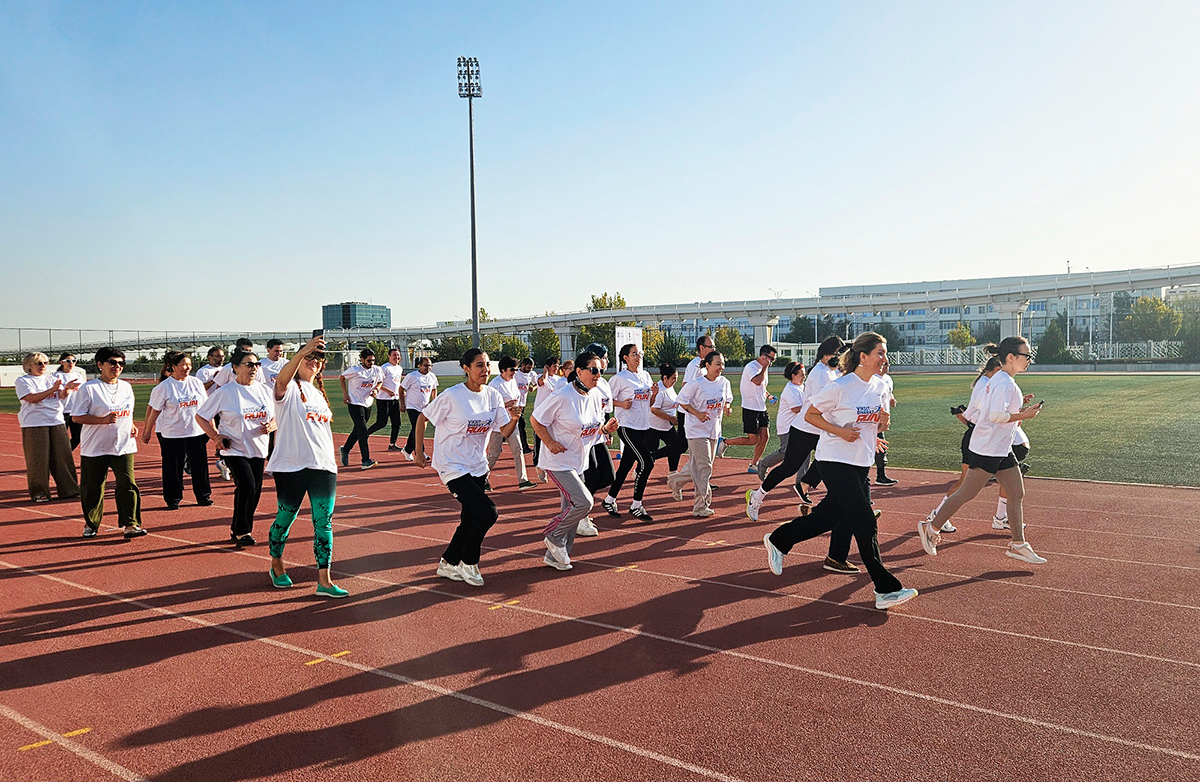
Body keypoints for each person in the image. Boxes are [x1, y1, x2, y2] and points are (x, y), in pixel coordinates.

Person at [761, 332, 918, 610]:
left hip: (860, 461)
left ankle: (779, 539)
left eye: (885, 353)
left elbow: (878, 424)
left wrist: (883, 424)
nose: (885, 358)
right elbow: (810, 415)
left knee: (827, 518)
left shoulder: (880, 385)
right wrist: (839, 431)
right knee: (865, 521)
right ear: (863, 356)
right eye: (880, 353)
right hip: (834, 460)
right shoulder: (841, 386)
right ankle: (885, 589)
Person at [919, 336, 1047, 564]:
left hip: (999, 447)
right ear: (1011, 357)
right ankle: (931, 527)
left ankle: (1018, 544)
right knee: (967, 493)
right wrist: (1024, 415)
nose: (1029, 360)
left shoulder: (1000, 379)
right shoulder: (1005, 383)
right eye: (1027, 355)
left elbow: (986, 410)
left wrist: (1019, 411)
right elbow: (995, 416)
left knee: (1016, 492)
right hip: (988, 448)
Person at [414, 348, 516, 586]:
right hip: (452, 465)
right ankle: (469, 562)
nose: (485, 370)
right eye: (479, 365)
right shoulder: (452, 395)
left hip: (477, 466)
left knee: (470, 519)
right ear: (466, 368)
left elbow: (503, 431)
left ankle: (448, 562)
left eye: (487, 365)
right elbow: (422, 418)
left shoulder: (493, 395)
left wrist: (514, 419)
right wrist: (419, 451)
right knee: (487, 512)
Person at [265, 336, 348, 597]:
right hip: (290, 466)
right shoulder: (289, 388)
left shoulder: (319, 395)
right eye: (309, 358)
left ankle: (324, 580)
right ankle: (277, 564)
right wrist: (303, 351)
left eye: (318, 360)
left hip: (323, 466)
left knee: (324, 523)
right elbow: (280, 381)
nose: (313, 362)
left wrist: (331, 462)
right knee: (286, 517)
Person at [532, 350, 619, 571]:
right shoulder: (562, 396)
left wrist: (605, 430)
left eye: (601, 371)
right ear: (579, 372)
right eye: (594, 370)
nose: (598, 375)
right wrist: (550, 443)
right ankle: (553, 535)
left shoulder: (595, 395)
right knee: (584, 503)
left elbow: (591, 428)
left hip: (579, 461)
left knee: (570, 509)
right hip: (558, 462)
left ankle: (555, 556)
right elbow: (536, 420)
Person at [748, 337, 845, 521]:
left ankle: (847, 503)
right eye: (837, 354)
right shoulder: (820, 373)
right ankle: (757, 496)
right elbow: (828, 402)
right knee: (789, 468)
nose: (839, 358)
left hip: (821, 429)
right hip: (805, 429)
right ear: (828, 353)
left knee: (834, 462)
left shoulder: (832, 372)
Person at [196, 350, 276, 546]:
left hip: (258, 448)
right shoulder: (225, 392)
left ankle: (238, 528)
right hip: (234, 448)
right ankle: (242, 531)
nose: (254, 368)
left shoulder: (264, 390)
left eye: (256, 364)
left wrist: (272, 425)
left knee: (254, 491)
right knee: (247, 485)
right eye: (249, 364)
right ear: (235, 367)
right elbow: (201, 416)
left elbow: (277, 416)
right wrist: (216, 436)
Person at [66, 347, 145, 539]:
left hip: (123, 445)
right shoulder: (89, 388)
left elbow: (127, 411)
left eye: (121, 363)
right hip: (96, 446)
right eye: (113, 362)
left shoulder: (126, 387)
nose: (117, 366)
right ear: (100, 364)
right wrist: (102, 420)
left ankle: (130, 524)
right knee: (93, 487)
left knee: (128, 483)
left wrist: (131, 424)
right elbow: (76, 417)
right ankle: (91, 523)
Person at [927, 350, 1002, 534]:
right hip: (977, 437)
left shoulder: (985, 382)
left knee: (1007, 480)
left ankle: (1003, 517)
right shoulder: (985, 384)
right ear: (997, 369)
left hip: (984, 437)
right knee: (965, 483)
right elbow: (983, 411)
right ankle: (937, 515)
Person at [141, 351, 211, 510]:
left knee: (200, 466)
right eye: (183, 365)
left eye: (189, 364)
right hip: (172, 434)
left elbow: (205, 407)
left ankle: (203, 495)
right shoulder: (164, 387)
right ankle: (173, 498)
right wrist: (147, 431)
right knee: (173, 468)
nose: (187, 368)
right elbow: (154, 411)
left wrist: (211, 428)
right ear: (173, 367)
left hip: (196, 431)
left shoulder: (196, 383)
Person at [667, 350, 733, 517]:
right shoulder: (696, 384)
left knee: (697, 467)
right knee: (705, 468)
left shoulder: (724, 382)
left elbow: (727, 399)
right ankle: (700, 506)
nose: (721, 367)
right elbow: (681, 401)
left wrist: (727, 407)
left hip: (714, 430)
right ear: (708, 365)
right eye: (718, 364)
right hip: (696, 430)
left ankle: (675, 480)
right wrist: (697, 413)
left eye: (723, 364)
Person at [603, 343, 659, 521]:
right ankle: (636, 505)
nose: (638, 356)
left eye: (639, 353)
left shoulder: (645, 375)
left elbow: (648, 403)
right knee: (647, 462)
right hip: (627, 426)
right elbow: (605, 400)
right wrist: (620, 404)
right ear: (626, 358)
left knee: (625, 466)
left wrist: (654, 394)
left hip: (643, 426)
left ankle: (609, 500)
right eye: (634, 353)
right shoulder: (619, 378)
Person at [16, 352, 79, 503]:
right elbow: (31, 398)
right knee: (38, 459)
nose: (43, 366)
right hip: (35, 422)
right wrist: (52, 390)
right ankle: (40, 492)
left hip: (56, 420)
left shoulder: (51, 379)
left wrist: (67, 389)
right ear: (29, 366)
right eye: (39, 363)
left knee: (63, 457)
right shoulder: (23, 381)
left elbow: (61, 396)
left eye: (45, 363)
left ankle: (69, 490)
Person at [721, 344, 777, 471]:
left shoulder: (763, 369)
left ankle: (753, 464)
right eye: (771, 359)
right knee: (753, 439)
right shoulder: (751, 367)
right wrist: (764, 368)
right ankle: (725, 442)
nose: (772, 362)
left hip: (761, 408)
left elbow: (761, 387)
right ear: (763, 356)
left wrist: (768, 396)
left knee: (765, 437)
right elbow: (757, 381)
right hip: (750, 408)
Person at [751, 360, 806, 492]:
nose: (804, 377)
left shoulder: (801, 387)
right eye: (802, 374)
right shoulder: (791, 390)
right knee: (786, 452)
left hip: (799, 426)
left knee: (806, 449)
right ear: (793, 376)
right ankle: (764, 463)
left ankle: (802, 481)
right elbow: (796, 409)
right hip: (787, 427)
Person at [579, 343, 615, 536]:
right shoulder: (579, 382)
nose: (607, 361)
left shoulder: (604, 383)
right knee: (591, 476)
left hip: (599, 434)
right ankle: (580, 515)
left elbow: (605, 411)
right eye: (605, 358)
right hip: (584, 436)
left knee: (608, 476)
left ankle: (579, 505)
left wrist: (607, 431)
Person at [485, 356, 536, 490]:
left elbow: (517, 398)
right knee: (494, 454)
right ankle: (482, 478)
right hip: (498, 425)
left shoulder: (513, 381)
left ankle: (523, 481)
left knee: (518, 450)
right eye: (512, 369)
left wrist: (516, 409)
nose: (515, 372)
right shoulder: (494, 385)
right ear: (503, 370)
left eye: (516, 369)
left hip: (512, 423)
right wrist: (506, 404)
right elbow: (488, 406)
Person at [339, 348, 383, 470]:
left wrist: (376, 389)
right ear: (362, 360)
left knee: (358, 430)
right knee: (363, 431)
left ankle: (345, 449)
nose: (371, 363)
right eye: (369, 360)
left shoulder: (377, 370)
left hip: (367, 403)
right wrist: (345, 394)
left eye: (373, 360)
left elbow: (380, 381)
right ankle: (365, 460)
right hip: (354, 403)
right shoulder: (355, 370)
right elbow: (342, 378)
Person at [647, 363, 686, 477]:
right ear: (665, 378)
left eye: (676, 378)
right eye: (673, 378)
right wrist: (671, 418)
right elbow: (654, 409)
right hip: (654, 427)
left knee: (676, 447)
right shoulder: (660, 390)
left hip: (667, 427)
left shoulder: (670, 388)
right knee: (650, 452)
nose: (675, 381)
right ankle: (639, 471)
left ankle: (672, 471)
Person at [531, 356, 564, 480]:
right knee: (540, 440)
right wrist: (545, 371)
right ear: (548, 367)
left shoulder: (559, 380)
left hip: (554, 415)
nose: (556, 368)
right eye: (554, 366)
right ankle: (538, 465)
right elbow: (542, 383)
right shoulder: (541, 377)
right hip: (540, 415)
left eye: (557, 366)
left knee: (552, 439)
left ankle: (550, 465)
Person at [400, 356, 438, 461]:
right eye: (425, 365)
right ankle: (420, 452)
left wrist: (434, 402)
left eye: (430, 366)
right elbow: (401, 388)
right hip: (412, 406)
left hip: (425, 407)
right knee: (417, 428)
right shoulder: (412, 376)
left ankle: (407, 449)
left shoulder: (432, 376)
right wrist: (402, 404)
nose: (428, 368)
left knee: (417, 430)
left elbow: (434, 389)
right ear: (419, 365)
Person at [368, 347, 406, 451]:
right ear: (389, 356)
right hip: (383, 400)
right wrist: (387, 391)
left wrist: (401, 391)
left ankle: (392, 444)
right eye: (394, 355)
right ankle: (365, 434)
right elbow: (377, 383)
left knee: (397, 423)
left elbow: (397, 383)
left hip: (395, 399)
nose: (396, 357)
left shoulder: (399, 368)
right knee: (381, 423)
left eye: (398, 355)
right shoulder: (384, 368)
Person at [53, 352, 86, 450]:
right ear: (61, 362)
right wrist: (67, 387)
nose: (71, 363)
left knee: (78, 436)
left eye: (73, 361)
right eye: (68, 361)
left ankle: (65, 454)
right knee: (61, 438)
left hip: (76, 410)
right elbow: (60, 395)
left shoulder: (78, 375)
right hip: (62, 411)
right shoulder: (57, 376)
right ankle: (59, 455)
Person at [875, 359, 898, 486]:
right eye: (885, 364)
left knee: (881, 448)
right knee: (877, 447)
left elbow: (889, 392)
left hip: (883, 420)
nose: (887, 366)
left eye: (888, 364)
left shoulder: (888, 379)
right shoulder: (873, 378)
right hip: (872, 420)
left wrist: (892, 399)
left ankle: (880, 475)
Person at [515, 357, 538, 454]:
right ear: (523, 365)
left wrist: (533, 388)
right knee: (521, 423)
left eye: (531, 368)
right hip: (514, 403)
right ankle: (524, 447)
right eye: (528, 367)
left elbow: (537, 383)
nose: (530, 370)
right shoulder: (516, 374)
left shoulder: (532, 374)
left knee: (518, 424)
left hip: (522, 403)